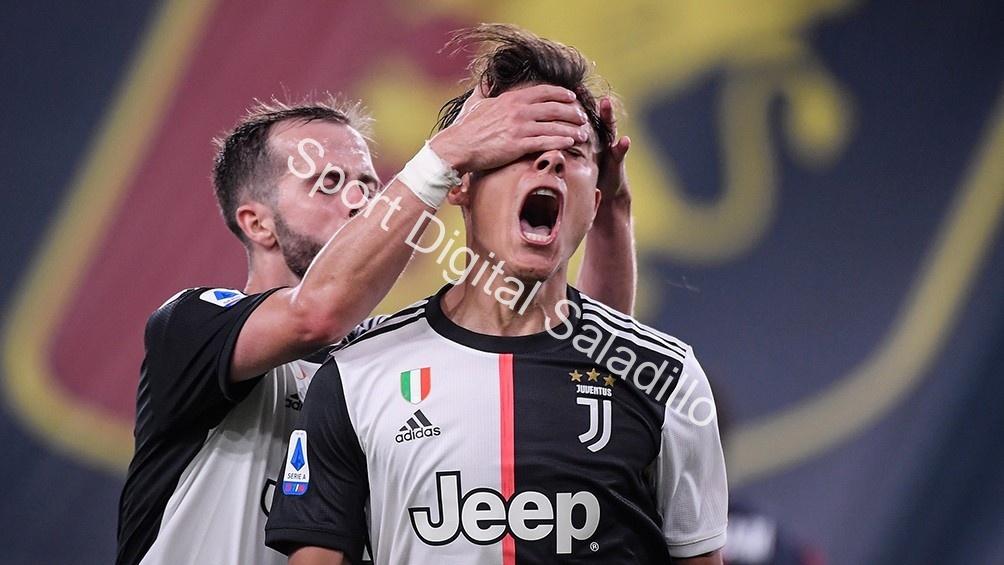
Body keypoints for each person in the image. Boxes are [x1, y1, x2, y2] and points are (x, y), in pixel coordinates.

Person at [115, 76, 638, 564]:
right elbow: (315, 315)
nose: (362, 203)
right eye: (329, 183)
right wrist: (448, 152)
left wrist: (610, 209)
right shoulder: (193, 325)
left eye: (370, 185)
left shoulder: (385, 357)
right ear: (258, 223)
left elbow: (578, 357)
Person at [264, 24, 727, 565]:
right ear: (460, 182)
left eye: (573, 151)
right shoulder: (354, 374)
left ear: (596, 200)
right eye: (520, 145)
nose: (550, 161)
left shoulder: (666, 377)